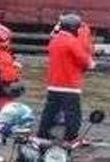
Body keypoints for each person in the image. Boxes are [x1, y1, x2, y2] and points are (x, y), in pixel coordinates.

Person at [38, 13, 94, 141]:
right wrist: (91, 64)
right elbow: (84, 60)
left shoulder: (54, 41)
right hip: (70, 84)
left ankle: (43, 133)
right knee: (73, 113)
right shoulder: (72, 42)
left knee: (50, 111)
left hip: (53, 83)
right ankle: (71, 136)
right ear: (73, 28)